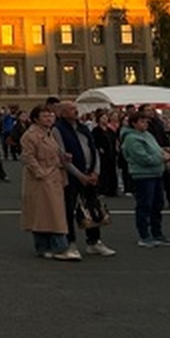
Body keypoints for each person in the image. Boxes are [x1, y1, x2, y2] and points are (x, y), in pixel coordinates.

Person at [51, 101, 116, 257]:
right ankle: (70, 243)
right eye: (71, 109)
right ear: (62, 113)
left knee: (92, 206)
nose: (76, 111)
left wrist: (95, 172)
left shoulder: (83, 128)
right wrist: (80, 176)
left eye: (75, 108)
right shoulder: (58, 130)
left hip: (89, 172)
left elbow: (93, 149)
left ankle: (94, 241)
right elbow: (62, 156)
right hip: (72, 176)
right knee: (70, 209)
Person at [21, 105, 80, 260]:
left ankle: (50, 246)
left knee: (53, 213)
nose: (49, 118)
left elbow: (54, 153)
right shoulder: (30, 135)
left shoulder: (49, 134)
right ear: (36, 118)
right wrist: (40, 173)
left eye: (51, 116)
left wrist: (64, 158)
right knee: (45, 214)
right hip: (42, 178)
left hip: (55, 175)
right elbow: (28, 157)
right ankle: (55, 246)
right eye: (45, 116)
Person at [121, 110, 170, 247]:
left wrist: (163, 153)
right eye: (142, 122)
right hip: (143, 175)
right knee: (145, 205)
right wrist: (162, 158)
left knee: (157, 204)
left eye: (146, 122)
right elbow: (143, 158)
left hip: (156, 173)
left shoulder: (147, 135)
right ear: (134, 124)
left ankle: (157, 233)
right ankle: (144, 235)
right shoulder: (132, 138)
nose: (145, 124)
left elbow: (156, 149)